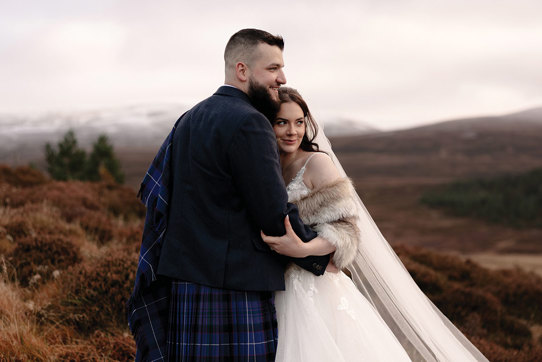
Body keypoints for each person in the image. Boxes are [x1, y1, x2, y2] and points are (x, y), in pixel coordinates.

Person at [128, 29, 332, 361]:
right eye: (273, 68)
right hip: (235, 290)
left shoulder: (190, 118)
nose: (282, 78)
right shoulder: (251, 123)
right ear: (242, 70)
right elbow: (272, 213)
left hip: (186, 285)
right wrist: (319, 254)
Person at [261, 87, 489, 361]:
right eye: (281, 122)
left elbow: (346, 232)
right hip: (276, 287)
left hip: (314, 288)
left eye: (299, 122)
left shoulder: (317, 163)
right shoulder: (268, 165)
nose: (292, 131)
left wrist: (301, 249)